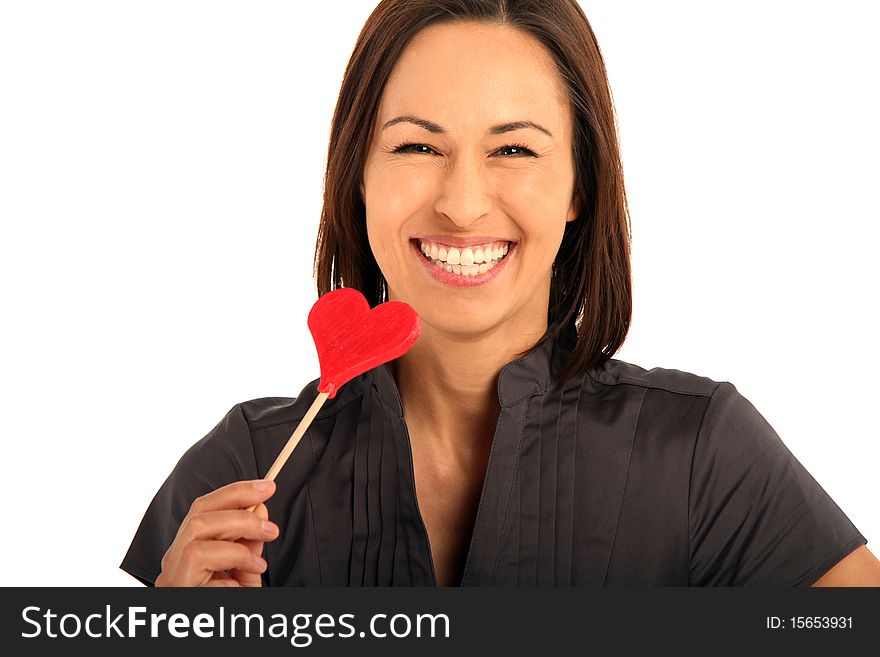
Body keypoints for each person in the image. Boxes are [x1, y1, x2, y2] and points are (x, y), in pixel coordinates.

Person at [120, 0, 880, 587]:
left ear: (580, 183)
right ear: (358, 175)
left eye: (513, 149)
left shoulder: (705, 455)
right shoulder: (242, 471)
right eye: (418, 146)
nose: (462, 201)